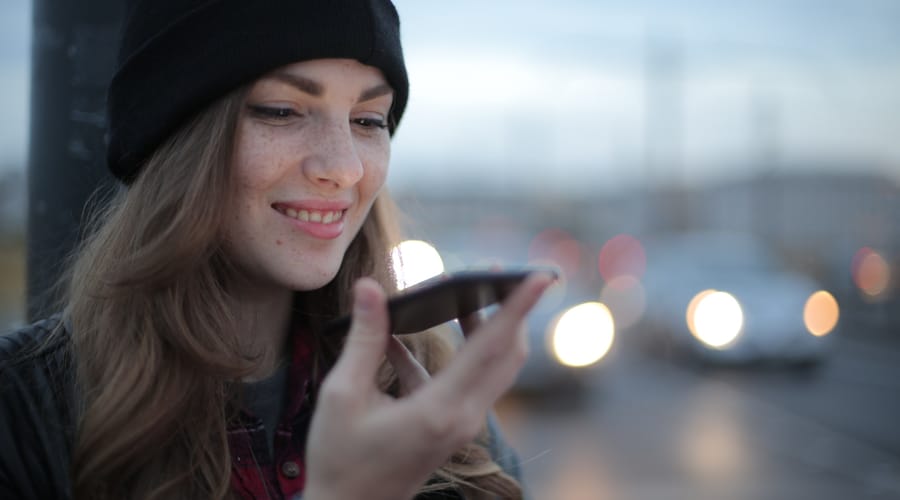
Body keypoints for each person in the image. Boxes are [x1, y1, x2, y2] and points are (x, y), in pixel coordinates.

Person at [0, 1, 554, 499]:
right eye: (282, 111)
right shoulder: (22, 411)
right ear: (176, 139)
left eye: (368, 120)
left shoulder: (428, 399)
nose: (343, 167)